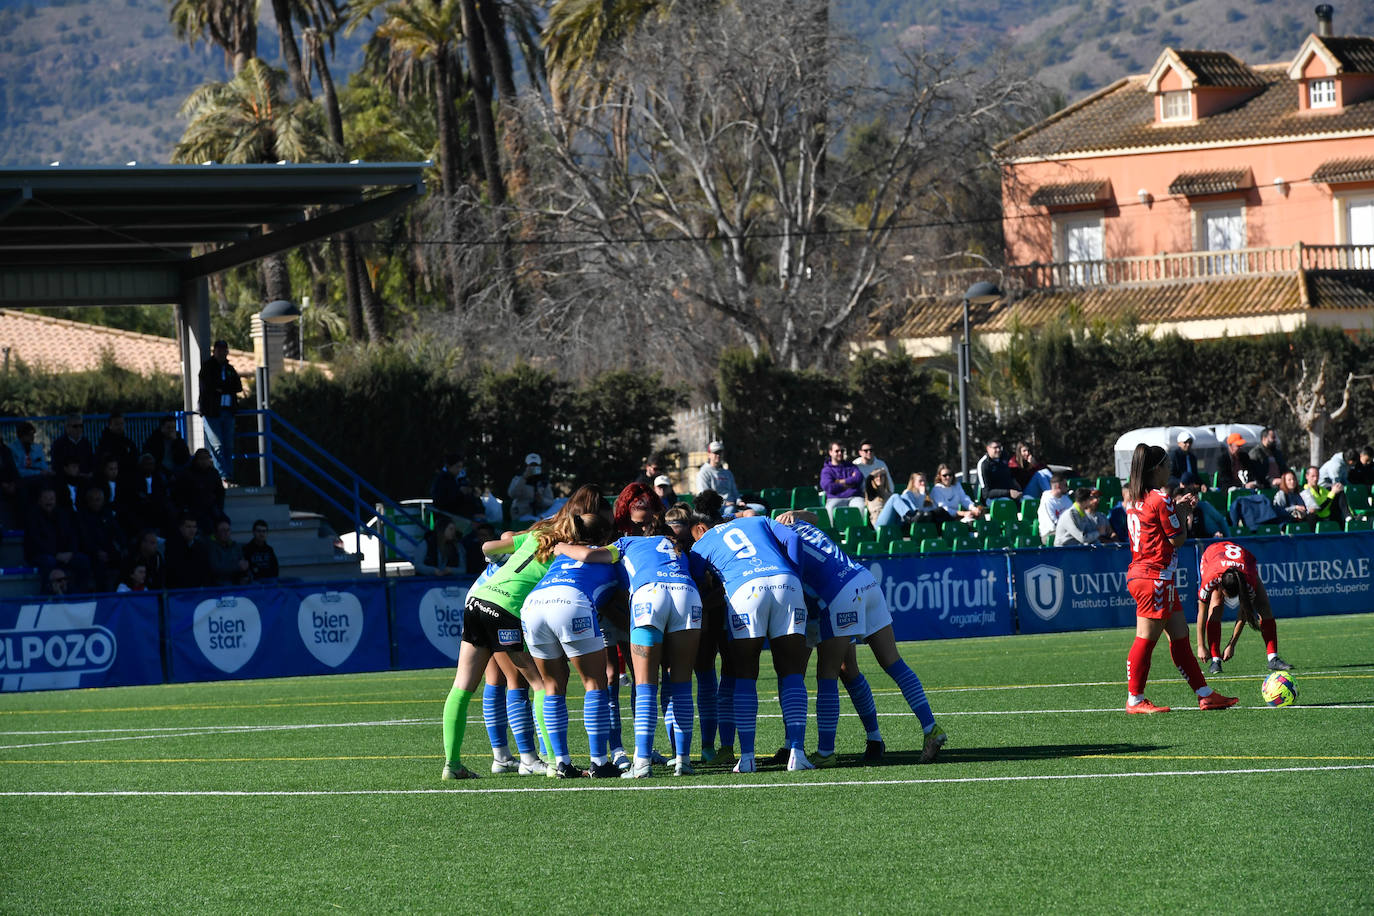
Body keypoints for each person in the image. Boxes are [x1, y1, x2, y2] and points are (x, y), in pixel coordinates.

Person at [439, 486, 606, 780]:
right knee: (541, 684)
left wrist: (502, 559)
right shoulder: (565, 553)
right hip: (505, 609)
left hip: (478, 599)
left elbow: (487, 548)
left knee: (461, 687)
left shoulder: (535, 535)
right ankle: (554, 763)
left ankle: (451, 765)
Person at [777, 510, 948, 765]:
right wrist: (795, 513)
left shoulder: (770, 540)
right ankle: (929, 728)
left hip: (836, 595)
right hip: (863, 579)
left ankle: (825, 752)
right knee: (889, 662)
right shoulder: (789, 524)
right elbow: (814, 517)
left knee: (827, 673)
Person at [688, 513, 811, 773]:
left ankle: (747, 758)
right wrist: (795, 575)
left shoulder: (702, 543)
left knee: (744, 673)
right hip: (785, 582)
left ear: (702, 528)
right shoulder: (758, 520)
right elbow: (793, 539)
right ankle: (797, 753)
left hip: (745, 590)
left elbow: (696, 580)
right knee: (791, 671)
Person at [1121, 443, 1236, 714]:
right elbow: (1177, 539)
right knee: (1145, 638)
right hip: (1155, 577)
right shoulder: (1159, 498)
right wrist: (1183, 513)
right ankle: (1135, 700)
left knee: (1180, 636)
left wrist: (1176, 507)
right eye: (1168, 465)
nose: (1170, 469)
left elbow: (1155, 522)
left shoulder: (1136, 499)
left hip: (1149, 575)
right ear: (1157, 469)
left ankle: (1205, 694)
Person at [520, 512, 625, 779]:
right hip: (571, 602)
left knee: (552, 686)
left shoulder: (561, 555)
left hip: (533, 605)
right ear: (605, 535)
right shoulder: (609, 557)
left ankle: (562, 763)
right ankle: (599, 762)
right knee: (594, 683)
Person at [610, 482, 703, 778]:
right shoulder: (676, 545)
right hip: (686, 595)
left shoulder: (624, 543)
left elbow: (590, 558)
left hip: (649, 597)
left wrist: (560, 545)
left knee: (646, 685)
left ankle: (641, 763)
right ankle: (683, 760)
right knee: (681, 684)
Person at [1195, 540, 1293, 675]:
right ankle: (1215, 660)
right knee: (1216, 605)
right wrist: (1201, 646)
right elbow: (1202, 611)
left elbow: (1244, 612)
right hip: (1212, 557)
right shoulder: (1211, 578)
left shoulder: (1248, 580)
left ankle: (1273, 658)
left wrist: (1232, 644)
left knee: (1264, 606)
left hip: (1244, 564)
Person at [25, 486, 91, 593]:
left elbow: (72, 535)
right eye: (46, 498)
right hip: (41, 554)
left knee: (83, 560)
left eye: (51, 499)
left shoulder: (63, 515)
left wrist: (71, 552)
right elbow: (36, 541)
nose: (49, 502)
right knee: (48, 561)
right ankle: (47, 593)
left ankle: (80, 593)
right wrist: (56, 554)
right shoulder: (33, 517)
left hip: (64, 554)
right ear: (39, 500)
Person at [198, 339, 243, 482]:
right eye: (219, 350)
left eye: (224, 350)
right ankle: (222, 476)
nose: (222, 353)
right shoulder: (207, 368)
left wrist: (222, 388)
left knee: (228, 445)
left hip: (228, 411)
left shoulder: (229, 369)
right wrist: (223, 387)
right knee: (217, 445)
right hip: (212, 412)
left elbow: (238, 386)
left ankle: (229, 474)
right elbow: (209, 386)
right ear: (214, 351)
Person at [74, 485, 124, 592]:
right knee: (98, 565)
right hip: (90, 552)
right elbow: (83, 538)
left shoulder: (107, 514)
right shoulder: (81, 516)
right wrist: (96, 551)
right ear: (88, 501)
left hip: (108, 550)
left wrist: (122, 548)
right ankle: (102, 595)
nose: (95, 502)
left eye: (98, 500)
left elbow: (117, 532)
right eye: (92, 500)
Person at [174, 448, 227, 536]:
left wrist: (219, 506)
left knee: (224, 521)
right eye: (201, 458)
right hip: (193, 508)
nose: (204, 461)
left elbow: (220, 492)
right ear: (196, 460)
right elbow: (179, 493)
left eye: (206, 458)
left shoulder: (213, 473)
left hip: (211, 507)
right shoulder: (187, 474)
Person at [430, 453, 483, 524]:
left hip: (462, 518)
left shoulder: (459, 479)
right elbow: (442, 500)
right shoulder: (442, 480)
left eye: (461, 467)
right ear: (449, 466)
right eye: (457, 467)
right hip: (448, 518)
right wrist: (460, 492)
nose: (459, 470)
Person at [164, 513, 213, 590]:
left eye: (194, 527)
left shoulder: (201, 547)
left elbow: (205, 570)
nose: (192, 530)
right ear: (181, 528)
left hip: (197, 590)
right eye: (188, 527)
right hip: (178, 590)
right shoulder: (172, 546)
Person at [507, 452, 555, 523]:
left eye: (535, 465)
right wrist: (524, 478)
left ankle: (542, 518)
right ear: (526, 466)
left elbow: (551, 501)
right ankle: (541, 521)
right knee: (535, 521)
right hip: (522, 514)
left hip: (539, 514)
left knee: (560, 504)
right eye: (531, 465)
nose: (533, 468)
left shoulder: (543, 481)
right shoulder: (518, 478)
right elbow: (512, 494)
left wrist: (541, 500)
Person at [695, 441, 742, 509]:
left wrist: (739, 502)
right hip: (716, 508)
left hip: (733, 505)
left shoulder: (728, 473)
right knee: (731, 509)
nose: (718, 455)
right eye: (715, 452)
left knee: (757, 508)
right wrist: (724, 503)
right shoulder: (703, 473)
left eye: (720, 452)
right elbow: (705, 497)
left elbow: (735, 492)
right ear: (709, 454)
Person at [50, 414, 94, 485]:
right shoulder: (58, 445)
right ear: (67, 427)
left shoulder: (86, 443)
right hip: (65, 482)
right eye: (75, 426)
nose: (79, 429)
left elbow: (91, 463)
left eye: (81, 426)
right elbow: (56, 467)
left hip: (85, 480)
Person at [820, 442, 865, 512]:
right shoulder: (826, 470)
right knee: (830, 508)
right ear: (830, 452)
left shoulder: (851, 466)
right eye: (837, 451)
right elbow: (829, 487)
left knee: (862, 507)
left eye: (842, 451)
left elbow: (859, 478)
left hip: (854, 497)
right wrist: (849, 484)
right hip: (835, 499)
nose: (840, 453)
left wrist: (839, 481)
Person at [95, 410, 140, 479]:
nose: (120, 426)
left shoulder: (128, 443)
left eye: (122, 424)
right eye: (116, 424)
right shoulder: (104, 444)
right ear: (110, 426)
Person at [207, 518, 251, 586]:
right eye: (223, 530)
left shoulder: (235, 546)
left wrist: (247, 576)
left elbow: (243, 565)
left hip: (237, 583)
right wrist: (237, 567)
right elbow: (215, 568)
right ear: (216, 532)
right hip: (220, 585)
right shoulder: (211, 547)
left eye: (228, 530)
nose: (226, 533)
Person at [1037, 474, 1073, 545]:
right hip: (1050, 533)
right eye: (1065, 485)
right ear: (1058, 486)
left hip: (1066, 531)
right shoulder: (1047, 500)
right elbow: (1053, 523)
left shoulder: (1065, 498)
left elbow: (1073, 515)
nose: (1068, 488)